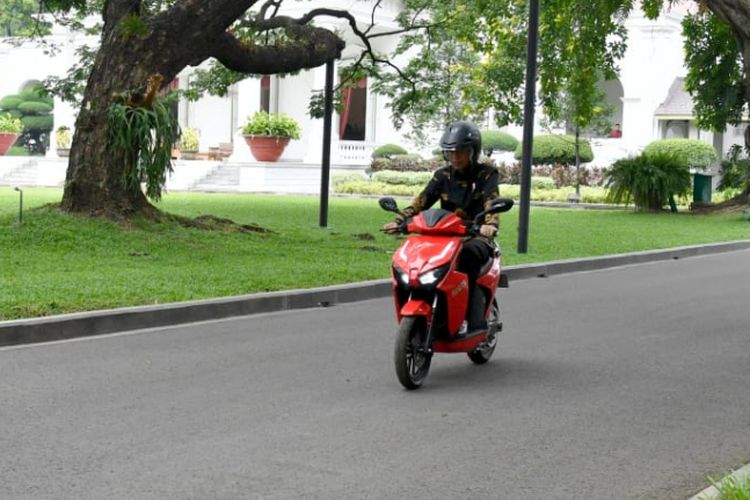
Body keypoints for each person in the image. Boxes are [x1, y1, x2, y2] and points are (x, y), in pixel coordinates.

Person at [383, 121, 500, 335]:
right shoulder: (442, 176)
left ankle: (472, 321)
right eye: (450, 152)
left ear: (473, 151)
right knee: (416, 257)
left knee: (467, 258)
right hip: (444, 236)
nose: (455, 157)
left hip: (475, 236)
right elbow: (422, 201)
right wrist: (400, 221)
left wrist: (489, 225)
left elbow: (491, 201)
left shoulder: (486, 174)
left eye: (461, 152)